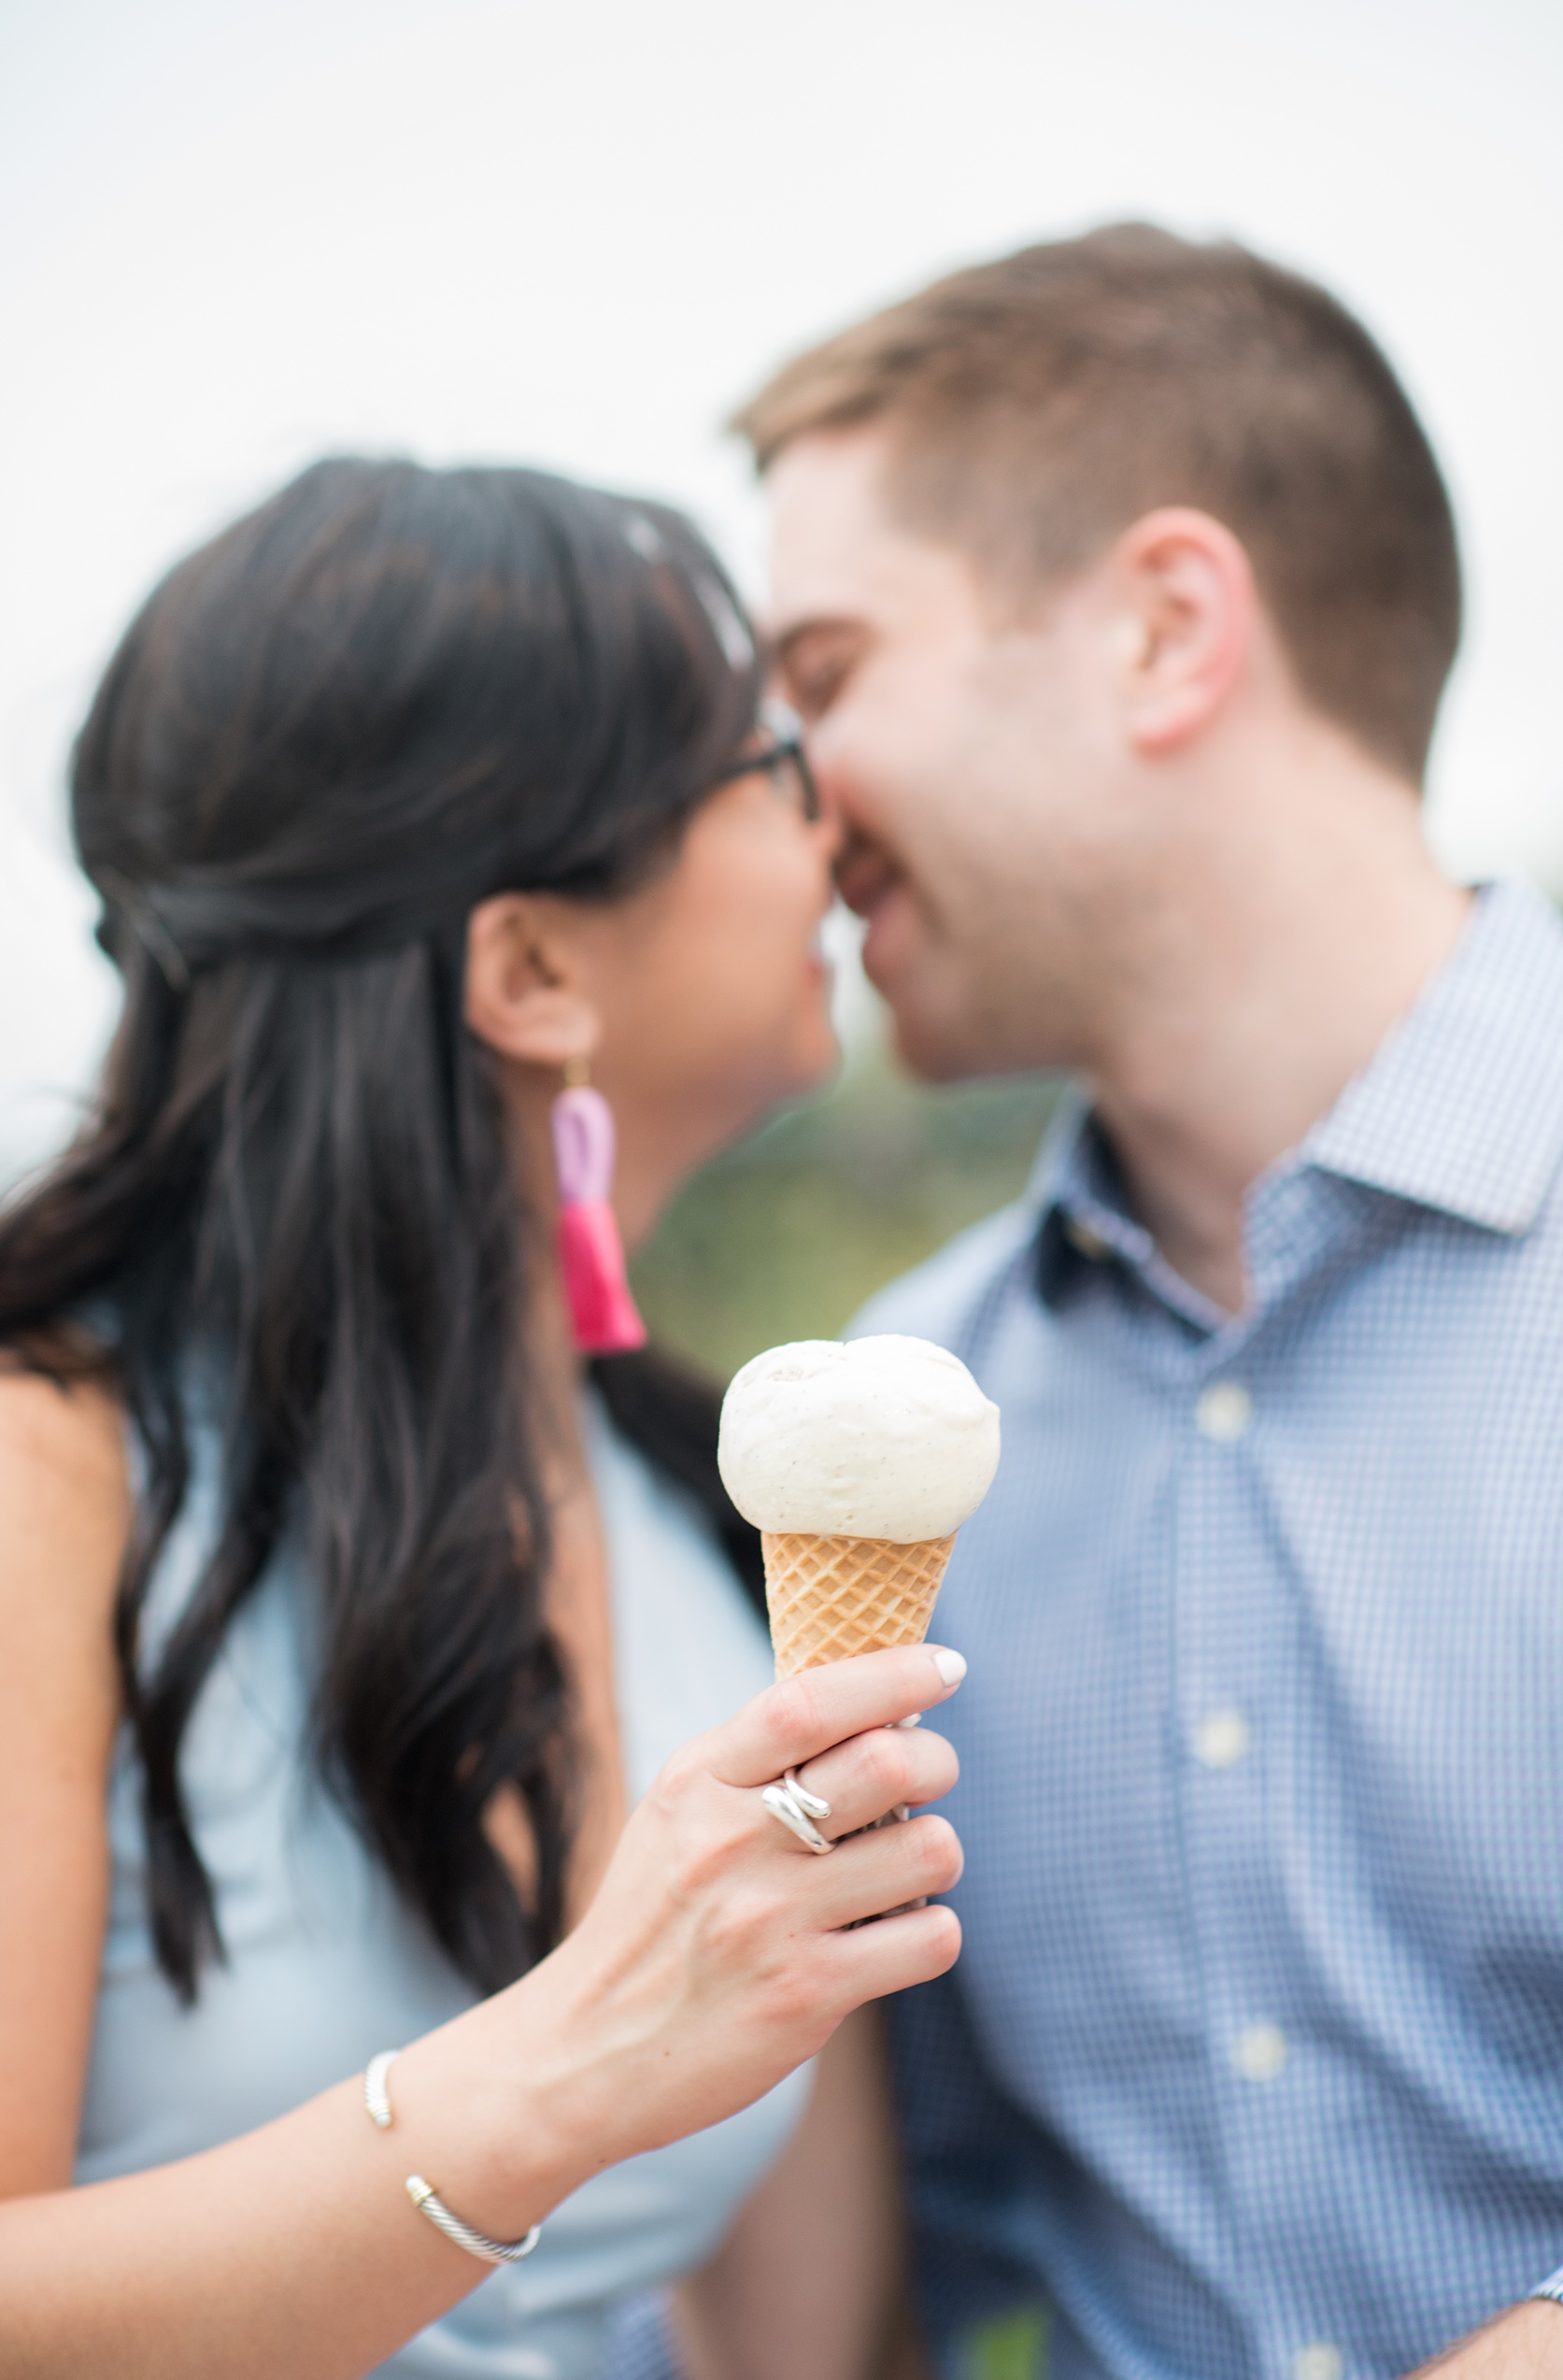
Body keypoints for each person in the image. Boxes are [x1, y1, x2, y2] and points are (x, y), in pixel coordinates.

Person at [0, 455, 969, 2379]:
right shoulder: (52, 1465)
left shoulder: (716, 1515)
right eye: (771, 761)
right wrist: (573, 2063)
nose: (836, 810)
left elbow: (814, 2347)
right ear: (529, 967)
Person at [734, 225, 1563, 2378]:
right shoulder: (891, 1440)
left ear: (1162, 627)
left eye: (822, 677)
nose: (774, 803)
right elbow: (831, 2291)